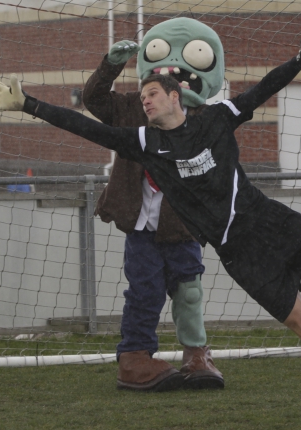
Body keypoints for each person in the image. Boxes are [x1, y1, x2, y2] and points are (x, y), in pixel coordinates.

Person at [0, 22, 301, 425]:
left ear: (175, 95)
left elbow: (264, 89)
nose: (145, 101)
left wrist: (300, 59)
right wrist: (28, 104)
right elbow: (86, 126)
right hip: (242, 256)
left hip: (276, 224)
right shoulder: (145, 144)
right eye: (143, 95)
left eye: (152, 94)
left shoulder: (217, 118)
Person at [81, 17, 227, 392]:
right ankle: (134, 357)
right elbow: (93, 100)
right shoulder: (134, 108)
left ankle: (197, 354)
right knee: (144, 290)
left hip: (183, 224)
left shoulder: (205, 120)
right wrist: (110, 66)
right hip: (141, 224)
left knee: (189, 289)